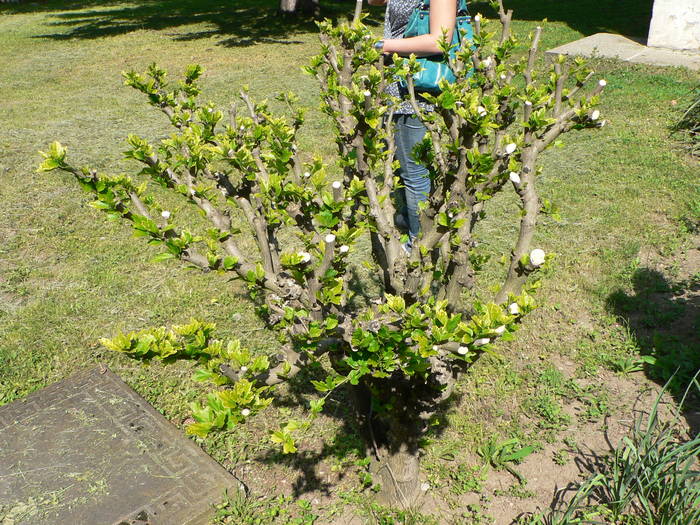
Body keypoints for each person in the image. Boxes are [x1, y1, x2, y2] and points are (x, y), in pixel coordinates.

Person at [368, 0, 459, 247]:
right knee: (401, 166)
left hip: (416, 91)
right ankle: (407, 223)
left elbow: (439, 40)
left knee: (414, 173)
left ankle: (418, 246)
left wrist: (380, 45)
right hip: (396, 89)